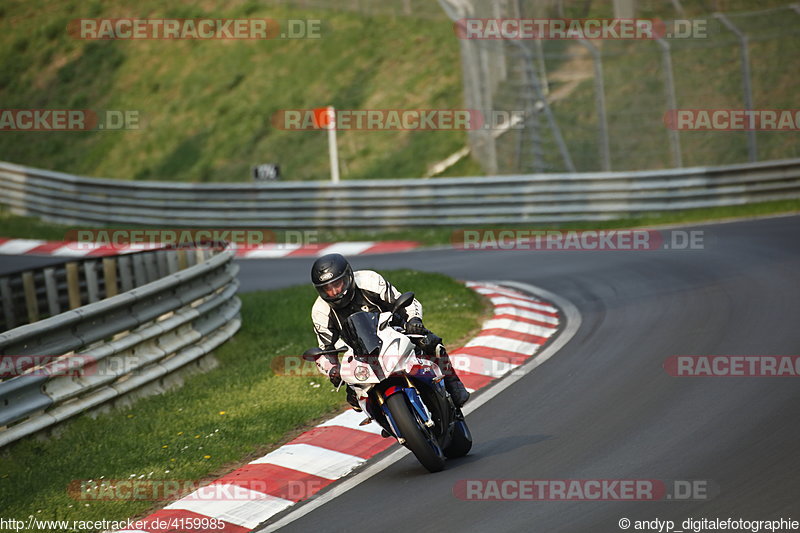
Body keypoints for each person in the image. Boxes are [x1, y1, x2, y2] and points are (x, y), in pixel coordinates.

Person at [309, 253, 470, 410]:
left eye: (337, 284)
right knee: (353, 398)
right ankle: (387, 418)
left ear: (349, 276)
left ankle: (453, 384)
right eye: (327, 289)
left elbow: (404, 301)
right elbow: (325, 351)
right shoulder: (320, 311)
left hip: (393, 329)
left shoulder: (369, 281)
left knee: (429, 342)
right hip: (358, 352)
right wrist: (332, 370)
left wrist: (414, 320)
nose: (335, 292)